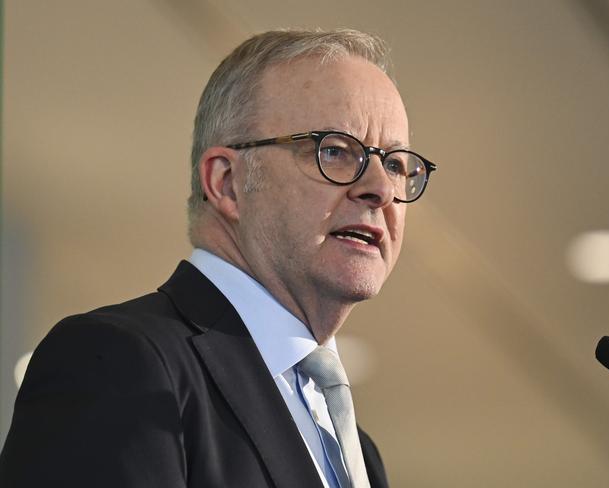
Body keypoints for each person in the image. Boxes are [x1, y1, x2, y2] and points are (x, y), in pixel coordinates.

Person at [0, 29, 436, 487]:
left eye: (395, 164)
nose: (381, 189)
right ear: (227, 182)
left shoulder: (358, 452)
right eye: (334, 151)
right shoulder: (115, 363)